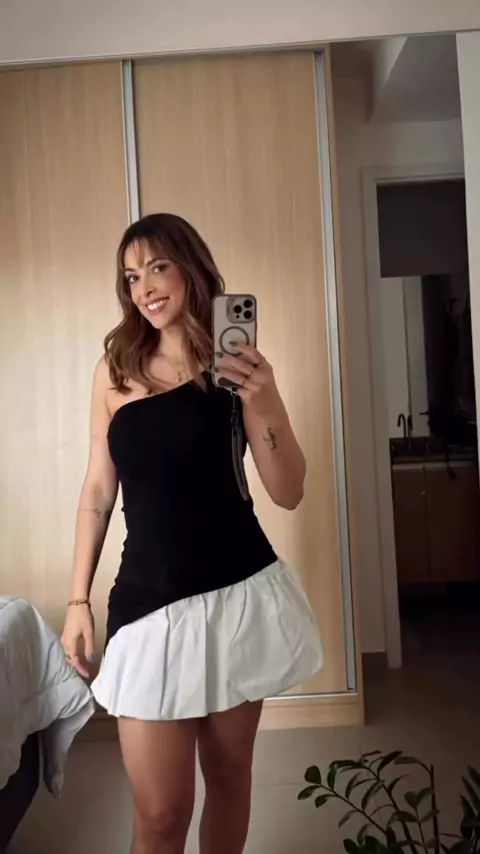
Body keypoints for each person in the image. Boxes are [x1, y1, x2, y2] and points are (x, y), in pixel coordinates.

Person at [60, 213, 322, 854]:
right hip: (149, 603)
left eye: (158, 267)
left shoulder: (233, 367)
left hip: (237, 595)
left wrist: (264, 399)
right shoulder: (114, 370)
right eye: (131, 277)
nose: (145, 287)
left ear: (190, 268)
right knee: (160, 813)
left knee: (229, 777)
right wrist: (77, 600)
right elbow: (98, 491)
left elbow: (289, 490)